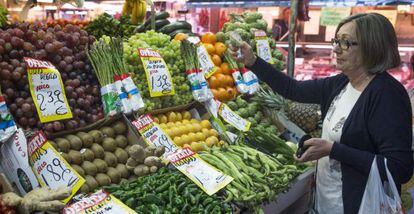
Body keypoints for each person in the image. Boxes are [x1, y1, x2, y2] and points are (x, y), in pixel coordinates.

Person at [232, 13, 414, 213]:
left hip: (361, 206)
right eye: (336, 41)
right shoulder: (342, 83)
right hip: (328, 202)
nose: (335, 49)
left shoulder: (387, 95)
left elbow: (399, 168)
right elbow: (292, 89)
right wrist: (252, 61)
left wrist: (333, 149)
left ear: (371, 46)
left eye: (345, 43)